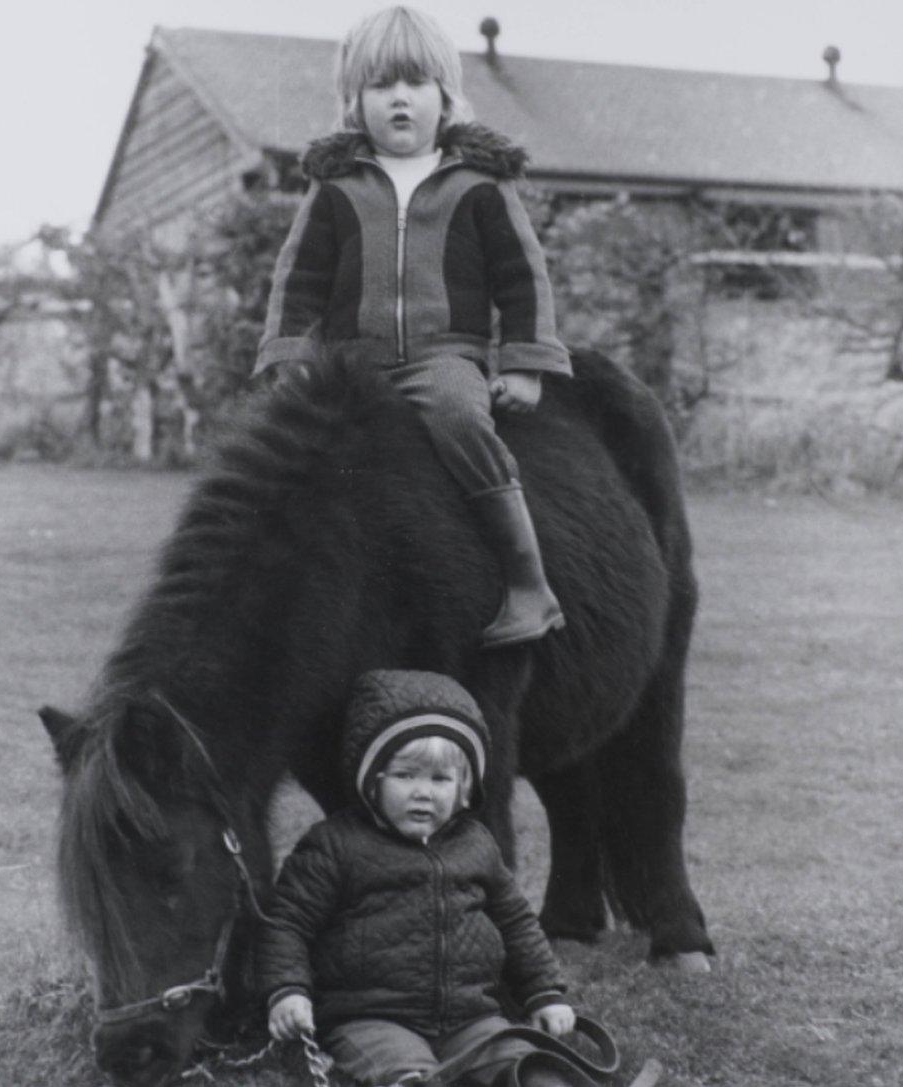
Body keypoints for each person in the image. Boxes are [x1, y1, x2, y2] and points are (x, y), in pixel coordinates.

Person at [253, 6, 570, 649]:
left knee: (459, 416)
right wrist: (289, 355)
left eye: (416, 83)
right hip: (352, 362)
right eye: (381, 85)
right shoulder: (337, 185)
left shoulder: (479, 182)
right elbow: (298, 277)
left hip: (442, 357)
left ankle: (527, 584)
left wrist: (524, 365)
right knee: (298, 450)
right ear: (355, 99)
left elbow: (522, 277)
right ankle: (277, 601)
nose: (400, 98)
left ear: (445, 96)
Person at [258, 669, 576, 1087]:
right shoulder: (334, 846)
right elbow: (288, 924)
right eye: (405, 775)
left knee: (528, 1071)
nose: (423, 792)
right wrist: (288, 990)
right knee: (407, 1078)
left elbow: (516, 922)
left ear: (464, 789)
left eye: (440, 779)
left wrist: (544, 993)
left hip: (472, 1018)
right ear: (372, 780)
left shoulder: (476, 844)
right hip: (372, 1019)